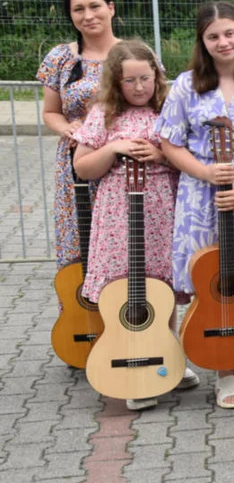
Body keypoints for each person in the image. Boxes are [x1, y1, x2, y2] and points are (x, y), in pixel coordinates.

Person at [157, 1, 234, 408]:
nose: (223, 42)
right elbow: (168, 141)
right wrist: (205, 172)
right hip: (201, 194)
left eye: (229, 33)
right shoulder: (186, 85)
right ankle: (224, 373)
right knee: (215, 279)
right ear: (202, 42)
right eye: (213, 36)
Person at [71, 40, 195, 410]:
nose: (139, 87)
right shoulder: (104, 112)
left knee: (162, 285)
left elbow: (186, 158)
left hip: (162, 207)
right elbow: (82, 166)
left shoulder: (168, 109)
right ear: (116, 81)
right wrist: (114, 148)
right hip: (117, 213)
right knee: (122, 286)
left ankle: (167, 354)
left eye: (146, 78)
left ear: (157, 77)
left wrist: (160, 154)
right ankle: (127, 360)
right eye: (130, 81)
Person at [38, 0, 121, 272]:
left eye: (95, 6)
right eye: (78, 9)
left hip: (123, 165)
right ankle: (81, 316)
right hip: (76, 165)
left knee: (125, 244)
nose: (88, 15)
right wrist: (67, 128)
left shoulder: (134, 54)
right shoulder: (60, 57)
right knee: (79, 245)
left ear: (110, 8)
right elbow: (50, 112)